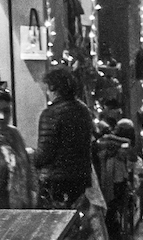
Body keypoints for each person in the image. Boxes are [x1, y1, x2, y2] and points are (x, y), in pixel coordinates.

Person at [33, 67, 96, 207]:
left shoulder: (50, 114)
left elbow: (45, 153)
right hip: (81, 177)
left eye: (48, 89)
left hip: (57, 179)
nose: (47, 93)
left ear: (54, 88)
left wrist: (28, 156)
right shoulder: (83, 110)